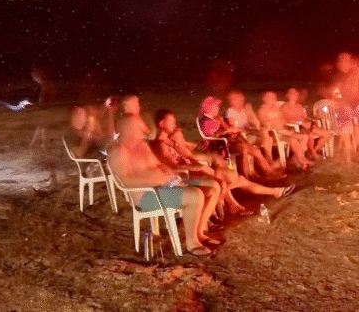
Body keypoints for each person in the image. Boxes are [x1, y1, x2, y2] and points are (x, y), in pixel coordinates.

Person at [109, 96, 219, 256]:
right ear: (126, 130)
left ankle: (200, 232)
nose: (144, 132)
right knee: (195, 195)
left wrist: (170, 173)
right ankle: (191, 242)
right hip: (147, 196)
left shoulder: (142, 146)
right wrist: (155, 180)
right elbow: (125, 181)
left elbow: (158, 164)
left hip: (166, 185)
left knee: (212, 187)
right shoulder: (119, 152)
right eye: (138, 129)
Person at [151, 109, 293, 216]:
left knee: (235, 178)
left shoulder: (171, 140)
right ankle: (234, 204)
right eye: (171, 122)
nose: (175, 125)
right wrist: (201, 167)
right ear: (161, 124)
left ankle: (272, 193)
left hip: (196, 171)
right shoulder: (160, 145)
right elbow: (175, 167)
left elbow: (189, 155)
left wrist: (183, 145)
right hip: (188, 177)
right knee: (230, 180)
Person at [198, 97, 286, 180]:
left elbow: (229, 129)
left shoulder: (217, 118)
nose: (218, 108)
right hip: (221, 146)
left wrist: (232, 129)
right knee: (244, 148)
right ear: (210, 108)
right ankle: (247, 176)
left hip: (231, 141)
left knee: (256, 151)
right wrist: (227, 131)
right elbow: (212, 138)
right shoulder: (206, 121)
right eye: (216, 106)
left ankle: (269, 172)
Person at [257, 91, 314, 169]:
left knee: (304, 137)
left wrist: (287, 123)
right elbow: (264, 123)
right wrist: (275, 122)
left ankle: (296, 158)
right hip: (276, 134)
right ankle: (300, 159)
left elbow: (284, 120)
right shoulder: (262, 110)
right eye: (271, 98)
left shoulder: (277, 109)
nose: (273, 99)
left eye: (274, 98)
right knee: (293, 140)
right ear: (264, 99)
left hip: (284, 131)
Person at [333, 52, 359, 150]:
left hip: (357, 99)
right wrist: (336, 94)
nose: (344, 61)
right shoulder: (341, 74)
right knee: (346, 119)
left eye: (347, 59)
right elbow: (336, 89)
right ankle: (347, 145)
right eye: (342, 59)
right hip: (345, 100)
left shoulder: (358, 71)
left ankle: (358, 145)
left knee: (358, 122)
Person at [225, 91, 275, 163]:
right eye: (239, 100)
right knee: (266, 138)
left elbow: (256, 124)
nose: (242, 102)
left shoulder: (243, 111)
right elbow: (234, 128)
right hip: (242, 138)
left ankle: (269, 159)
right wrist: (247, 130)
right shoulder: (230, 112)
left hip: (250, 133)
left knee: (268, 137)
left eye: (242, 100)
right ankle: (269, 160)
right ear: (232, 101)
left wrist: (250, 112)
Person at [281, 87, 332, 156]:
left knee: (327, 134)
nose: (294, 95)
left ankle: (314, 150)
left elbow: (305, 118)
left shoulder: (299, 106)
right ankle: (312, 153)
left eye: (295, 93)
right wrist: (300, 123)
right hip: (297, 129)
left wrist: (311, 121)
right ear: (287, 95)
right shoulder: (284, 107)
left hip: (307, 126)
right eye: (292, 93)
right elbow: (285, 121)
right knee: (310, 134)